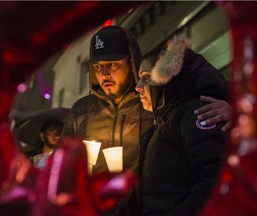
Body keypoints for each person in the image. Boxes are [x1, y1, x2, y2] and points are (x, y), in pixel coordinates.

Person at [62, 25, 231, 175]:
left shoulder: (153, 102)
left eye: (113, 64)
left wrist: (234, 108)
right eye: (98, 66)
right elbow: (61, 166)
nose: (104, 73)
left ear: (131, 63)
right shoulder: (81, 111)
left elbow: (199, 98)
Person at [134, 34, 229, 215]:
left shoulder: (195, 113)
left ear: (167, 77)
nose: (138, 87)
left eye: (146, 78)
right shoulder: (168, 120)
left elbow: (217, 178)